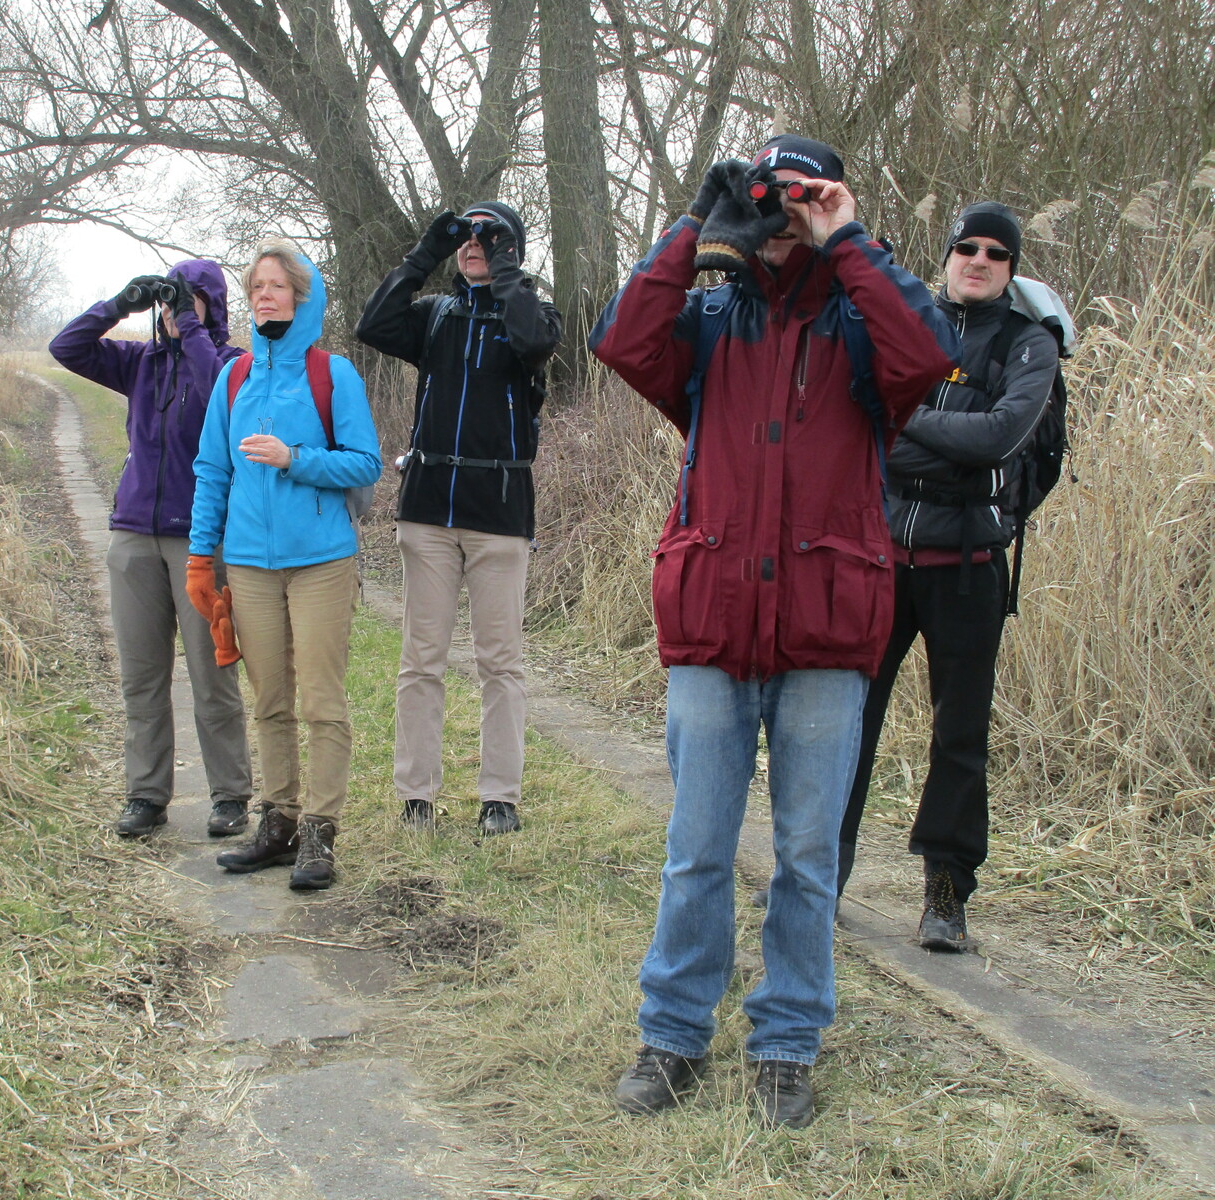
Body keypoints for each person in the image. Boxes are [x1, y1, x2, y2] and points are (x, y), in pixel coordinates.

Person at [589, 135, 958, 1128]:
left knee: (806, 855)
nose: (783, 214)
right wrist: (693, 222)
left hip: (825, 633)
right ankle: (670, 1038)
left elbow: (930, 355)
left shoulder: (864, 333)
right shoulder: (705, 321)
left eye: (805, 196)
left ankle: (785, 1046)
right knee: (698, 846)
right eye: (772, 197)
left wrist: (846, 238)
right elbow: (621, 342)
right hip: (715, 622)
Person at [839, 202, 1058, 952]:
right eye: (968, 245)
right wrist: (941, 440)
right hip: (877, 555)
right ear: (949, 254)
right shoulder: (905, 323)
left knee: (958, 736)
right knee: (847, 724)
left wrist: (904, 421)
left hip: (969, 567)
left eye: (997, 252)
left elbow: (1001, 436)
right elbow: (854, 423)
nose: (979, 258)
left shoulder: (1031, 345)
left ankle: (945, 896)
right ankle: (821, 874)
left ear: (1011, 268)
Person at [355, 202, 562, 836]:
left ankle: (500, 797)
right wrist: (426, 253)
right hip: (429, 510)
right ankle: (416, 794)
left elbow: (534, 341)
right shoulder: (436, 317)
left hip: (500, 511)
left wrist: (505, 268)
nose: (474, 246)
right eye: (468, 239)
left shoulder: (531, 312)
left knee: (501, 659)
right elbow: (373, 325)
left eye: (489, 239)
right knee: (423, 657)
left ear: (512, 253)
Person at [186, 238, 381, 891]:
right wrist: (199, 558)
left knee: (321, 701)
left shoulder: (333, 374)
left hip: (321, 561)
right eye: (255, 286)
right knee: (269, 700)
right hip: (247, 565)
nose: (263, 294)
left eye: (275, 284)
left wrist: (295, 457)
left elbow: (365, 464)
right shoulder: (233, 377)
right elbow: (212, 470)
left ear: (301, 293)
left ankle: (320, 835)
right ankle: (278, 823)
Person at [49, 260, 253, 841]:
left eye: (188, 301)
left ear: (210, 305)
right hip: (134, 533)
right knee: (141, 675)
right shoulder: (140, 363)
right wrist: (120, 304)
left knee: (212, 675)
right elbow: (66, 347)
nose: (172, 311)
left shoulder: (233, 365)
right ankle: (146, 794)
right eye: (168, 302)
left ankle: (230, 795)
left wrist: (190, 326)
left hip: (200, 540)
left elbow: (220, 394)